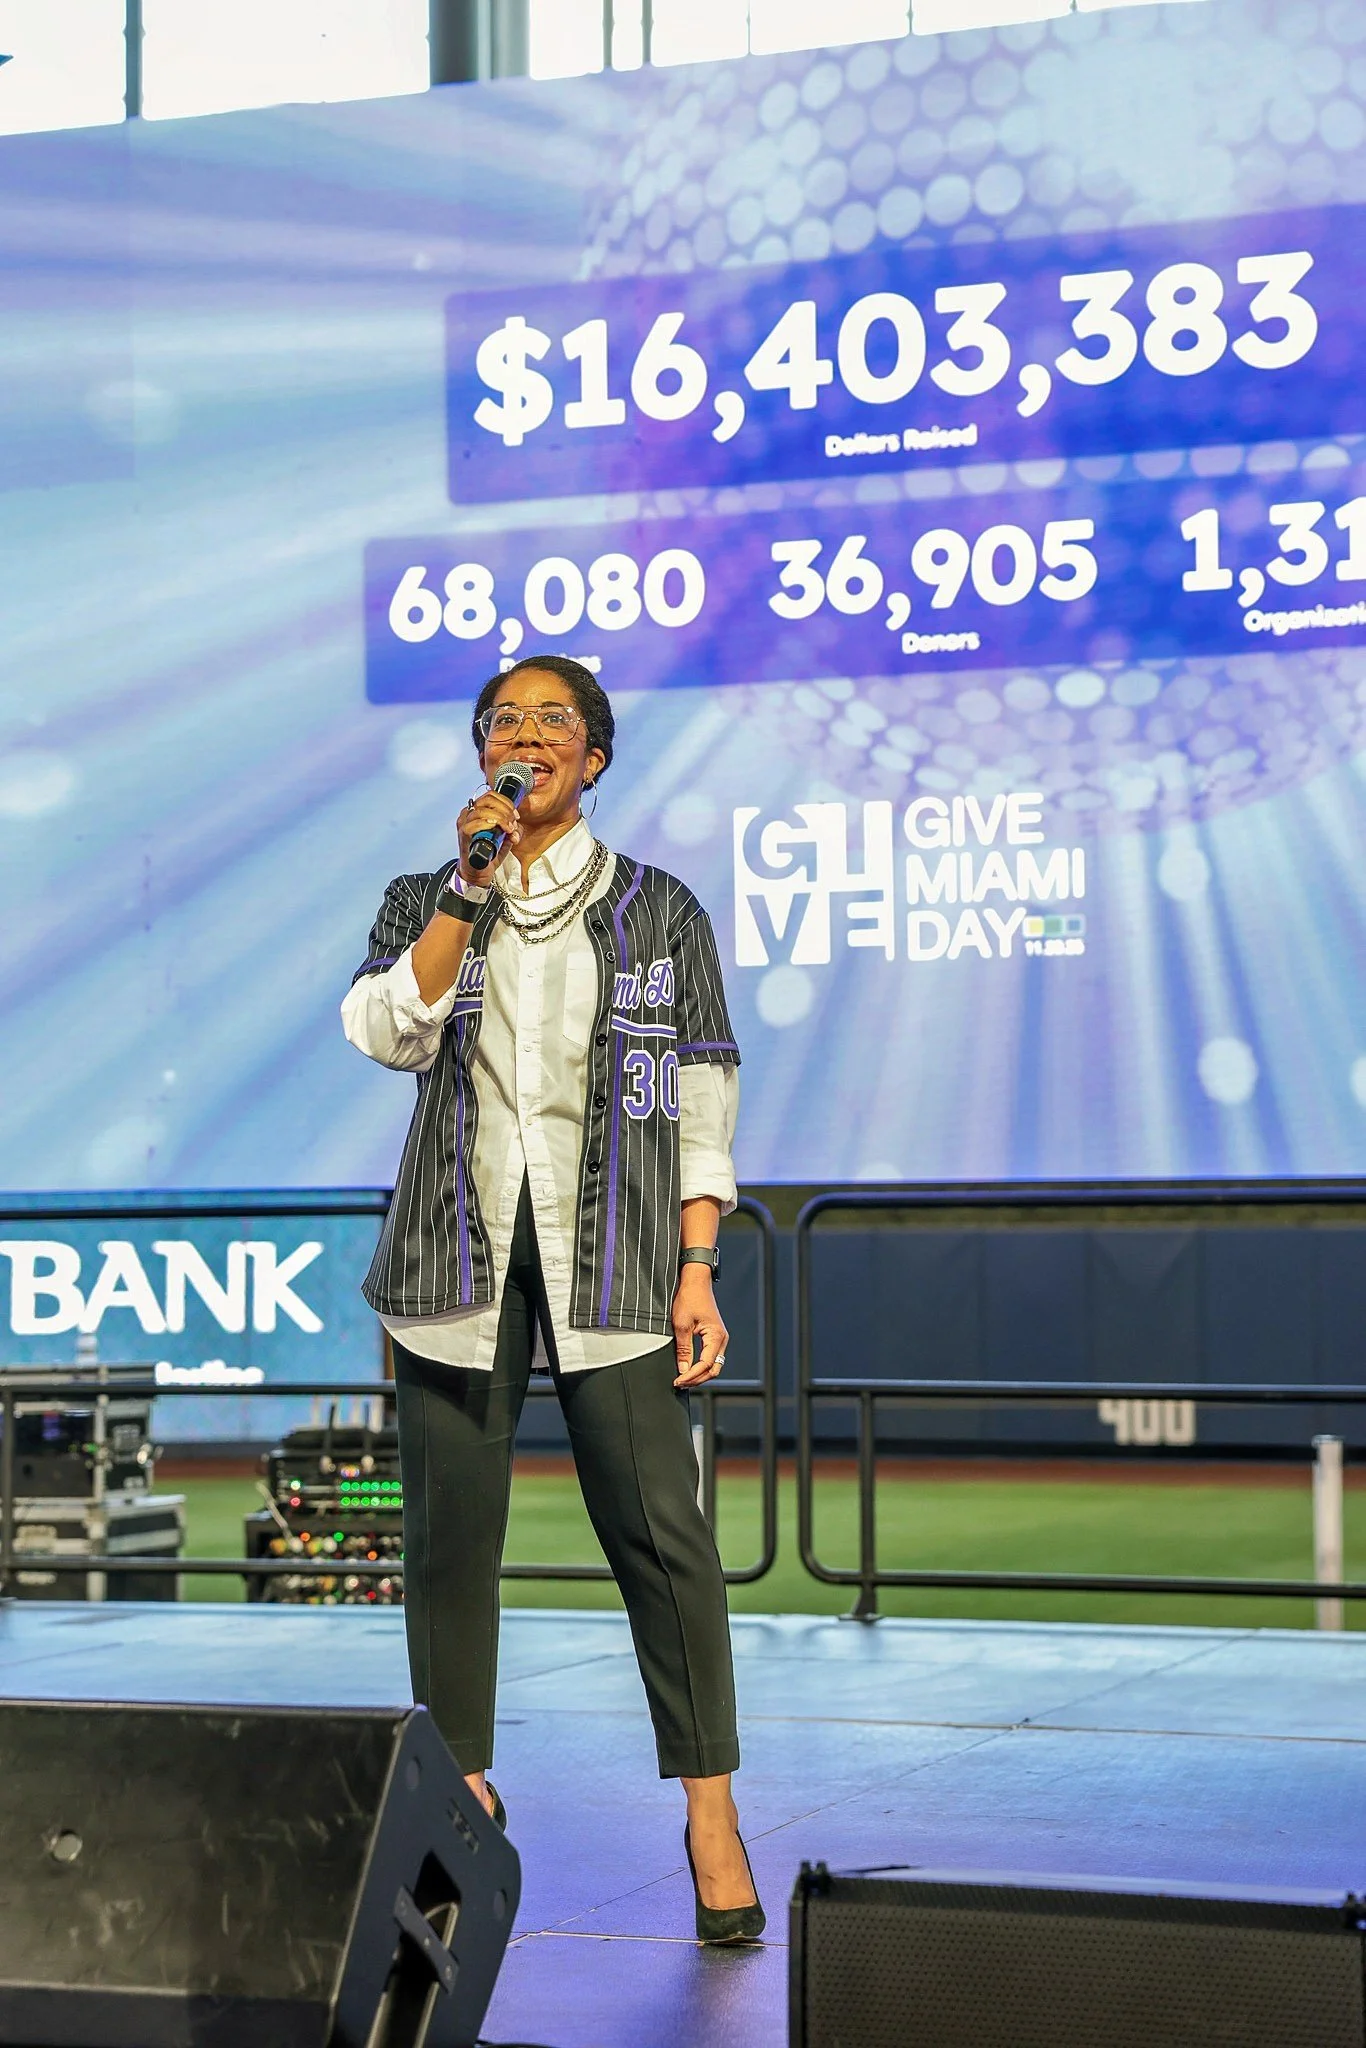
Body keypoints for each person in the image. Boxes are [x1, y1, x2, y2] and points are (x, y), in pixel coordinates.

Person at [341, 653, 764, 1944]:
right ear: (483, 761)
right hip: (452, 1261)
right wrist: (465, 893)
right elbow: (384, 1029)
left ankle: (709, 1812)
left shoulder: (658, 911)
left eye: (551, 721)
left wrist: (698, 1265)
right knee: (448, 1543)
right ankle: (458, 1792)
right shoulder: (432, 894)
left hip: (621, 1263)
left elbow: (701, 1099)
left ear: (591, 760)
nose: (523, 737)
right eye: (502, 722)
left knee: (663, 1539)